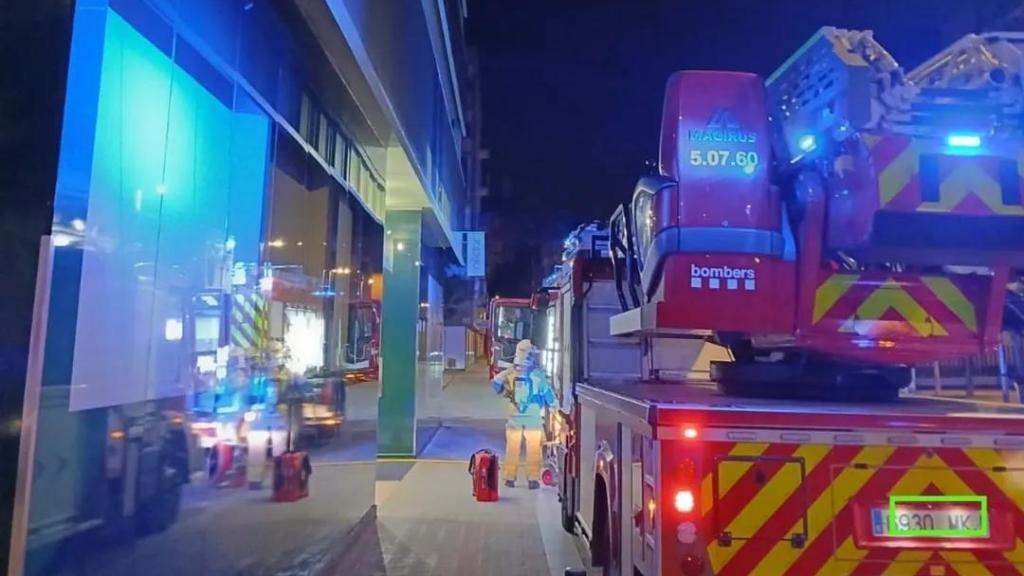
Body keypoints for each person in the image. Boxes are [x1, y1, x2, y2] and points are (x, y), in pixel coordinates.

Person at [491, 339, 555, 489]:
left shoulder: (511, 372)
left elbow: (495, 382)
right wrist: (554, 406)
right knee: (533, 447)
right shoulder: (537, 374)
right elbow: (547, 393)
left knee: (512, 446)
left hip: (515, 413)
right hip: (533, 414)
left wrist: (505, 390)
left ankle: (509, 477)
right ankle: (533, 478)